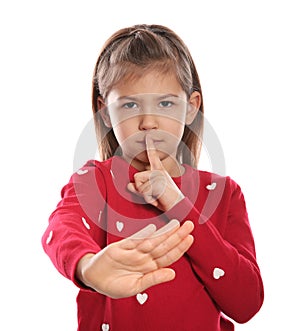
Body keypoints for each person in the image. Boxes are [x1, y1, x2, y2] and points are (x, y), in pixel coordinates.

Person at [42, 24, 264, 331]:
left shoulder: (224, 193)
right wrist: (88, 267)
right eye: (130, 105)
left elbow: (247, 303)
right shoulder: (96, 181)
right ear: (105, 112)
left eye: (166, 103)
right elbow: (61, 227)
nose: (148, 122)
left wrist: (177, 202)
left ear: (191, 108)